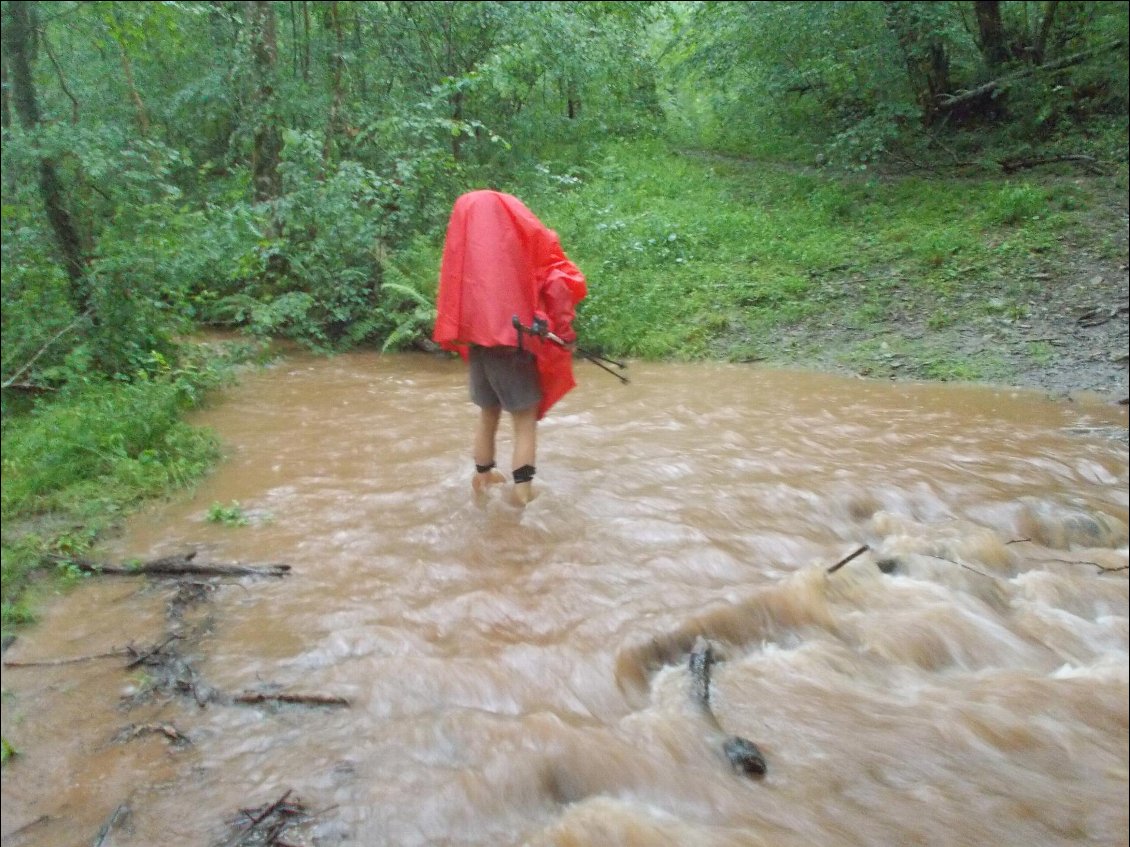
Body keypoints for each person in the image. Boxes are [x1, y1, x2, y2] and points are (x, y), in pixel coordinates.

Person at [433, 190, 587, 506]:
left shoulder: (471, 258)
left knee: (487, 413)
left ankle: (484, 476)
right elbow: (557, 283)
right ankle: (522, 491)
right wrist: (565, 332)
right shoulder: (519, 249)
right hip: (512, 344)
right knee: (524, 421)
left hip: (478, 343)